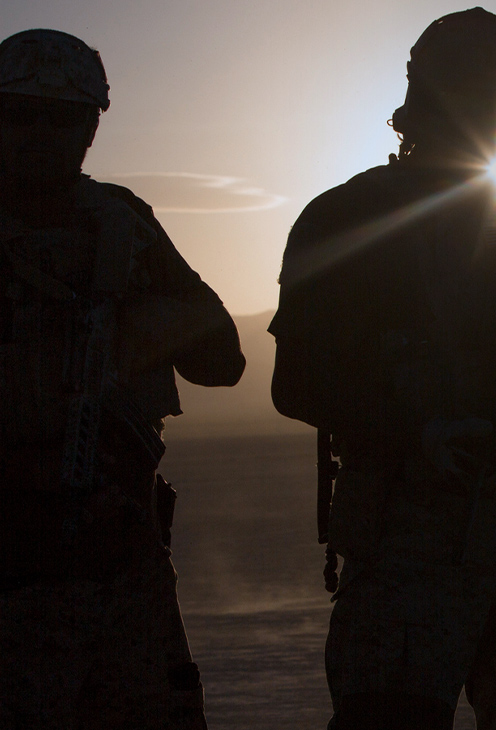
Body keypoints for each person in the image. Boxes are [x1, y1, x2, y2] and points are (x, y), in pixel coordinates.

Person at [269, 8, 496, 730]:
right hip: (410, 532)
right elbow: (298, 384)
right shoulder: (351, 216)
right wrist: (421, 424)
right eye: (482, 92)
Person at [0, 29, 245, 730]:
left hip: (120, 568)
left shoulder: (122, 225)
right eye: (20, 114)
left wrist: (131, 321)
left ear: (91, 126)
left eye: (62, 117)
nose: (40, 133)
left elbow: (222, 361)